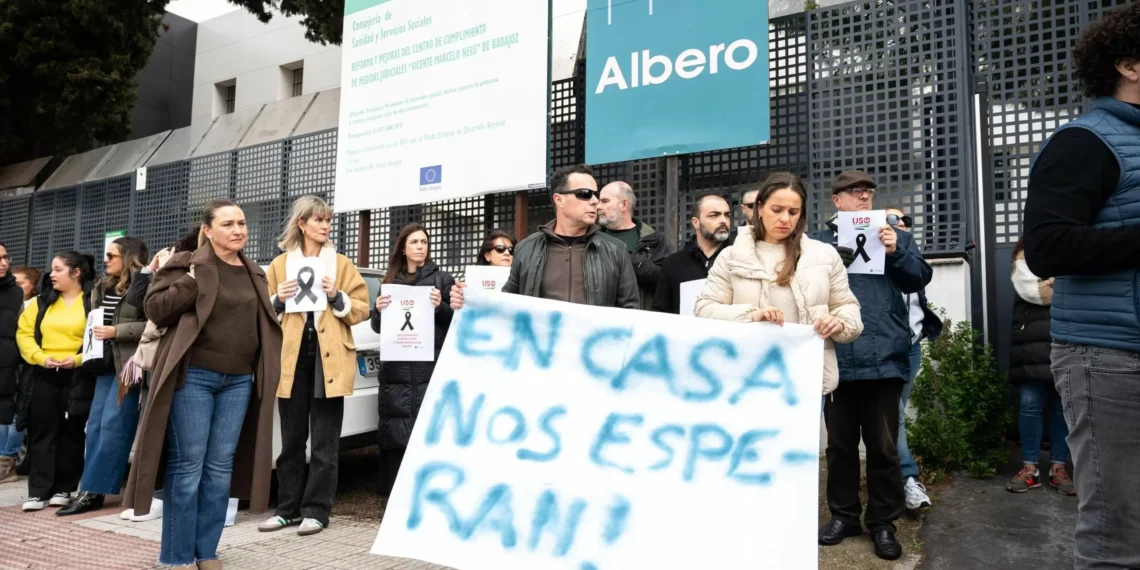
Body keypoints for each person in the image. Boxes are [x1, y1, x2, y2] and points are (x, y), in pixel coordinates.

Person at [1022, 6, 1140, 566]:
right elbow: (1048, 248)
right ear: (1129, 64)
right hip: (1110, 359)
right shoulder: (1083, 142)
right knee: (1118, 530)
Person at [123, 199, 282, 570]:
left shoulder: (255, 272)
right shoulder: (186, 264)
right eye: (228, 224)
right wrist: (193, 282)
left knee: (219, 469)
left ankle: (207, 551)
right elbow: (155, 309)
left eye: (241, 223)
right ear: (207, 231)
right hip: (193, 376)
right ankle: (177, 556)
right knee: (189, 466)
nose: (238, 230)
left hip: (239, 381)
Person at [811, 170, 932, 561]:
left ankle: (883, 523)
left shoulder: (894, 232)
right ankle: (844, 517)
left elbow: (917, 279)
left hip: (884, 356)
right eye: (854, 193)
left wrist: (896, 250)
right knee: (840, 446)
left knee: (883, 448)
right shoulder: (817, 242)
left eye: (868, 193)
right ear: (837, 201)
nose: (863, 199)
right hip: (837, 356)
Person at [695, 172, 864, 397]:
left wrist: (840, 323)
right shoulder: (731, 256)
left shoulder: (824, 255)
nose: (785, 219)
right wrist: (751, 315)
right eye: (777, 210)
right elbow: (704, 309)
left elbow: (848, 307)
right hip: (744, 382)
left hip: (807, 381)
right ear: (760, 208)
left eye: (793, 212)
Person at [260, 196, 369, 536]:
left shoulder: (340, 263)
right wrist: (277, 298)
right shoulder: (280, 265)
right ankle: (287, 509)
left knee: (324, 440)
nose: (325, 226)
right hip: (291, 356)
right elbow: (261, 313)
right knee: (291, 438)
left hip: (329, 355)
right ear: (302, 224)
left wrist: (338, 296)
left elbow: (361, 308)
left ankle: (317, 511)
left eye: (328, 220)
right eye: (318, 220)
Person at [450, 165, 639, 310]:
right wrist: (467, 300)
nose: (595, 201)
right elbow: (506, 305)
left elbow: (630, 312)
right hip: (540, 358)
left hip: (593, 357)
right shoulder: (526, 250)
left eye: (595, 195)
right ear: (559, 199)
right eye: (584, 194)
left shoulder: (616, 251)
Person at [56, 237, 150, 516]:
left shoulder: (144, 284)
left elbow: (153, 322)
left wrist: (117, 332)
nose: (106, 260)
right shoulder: (102, 286)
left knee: (115, 424)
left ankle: (93, 491)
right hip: (104, 363)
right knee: (95, 424)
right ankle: (91, 487)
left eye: (112, 256)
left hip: (130, 364)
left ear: (129, 257)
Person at [118, 227, 200, 523]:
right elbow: (141, 304)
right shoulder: (174, 268)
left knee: (172, 435)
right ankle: (152, 497)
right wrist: (152, 270)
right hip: (158, 359)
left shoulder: (194, 270)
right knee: (156, 431)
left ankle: (160, 498)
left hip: (179, 359)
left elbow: (155, 309)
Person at [370, 223, 455, 498]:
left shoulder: (442, 279)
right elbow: (377, 327)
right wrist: (379, 310)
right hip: (396, 370)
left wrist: (439, 306)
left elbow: (455, 321)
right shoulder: (389, 282)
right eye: (415, 242)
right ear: (403, 248)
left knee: (430, 431)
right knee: (395, 432)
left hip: (430, 367)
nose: (421, 247)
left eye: (424, 242)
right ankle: (395, 497)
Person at [16, 251, 96, 511]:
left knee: (73, 431)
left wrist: (78, 360)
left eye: (58, 269)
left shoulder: (93, 302)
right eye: (52, 269)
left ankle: (64, 488)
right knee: (42, 431)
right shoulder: (40, 303)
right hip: (45, 373)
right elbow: (24, 335)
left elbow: (100, 339)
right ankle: (38, 492)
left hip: (78, 374)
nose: (52, 274)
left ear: (76, 273)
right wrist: (41, 358)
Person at [883, 207, 941, 511]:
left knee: (897, 411)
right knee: (895, 411)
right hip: (886, 347)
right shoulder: (877, 252)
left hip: (912, 346)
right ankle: (907, 479)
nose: (899, 224)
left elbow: (919, 286)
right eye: (891, 219)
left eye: (903, 220)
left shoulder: (909, 253)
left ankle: (899, 478)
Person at [1007, 238, 1073, 496]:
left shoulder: (1069, 246)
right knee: (1030, 405)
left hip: (1063, 339)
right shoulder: (1025, 253)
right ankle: (1030, 467)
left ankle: (1059, 467)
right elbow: (1032, 289)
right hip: (1030, 346)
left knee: (1061, 408)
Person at [653, 194, 733, 314]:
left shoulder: (740, 258)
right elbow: (661, 311)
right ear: (696, 222)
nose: (723, 220)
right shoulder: (673, 263)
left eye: (727, 215)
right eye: (714, 215)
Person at [597, 181, 672, 309]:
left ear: (624, 204)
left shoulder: (653, 239)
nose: (598, 206)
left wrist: (633, 261)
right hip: (602, 321)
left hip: (641, 321)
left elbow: (666, 282)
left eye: (604, 201)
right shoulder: (593, 239)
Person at [0, 243, 25, 484]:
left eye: (6, 257)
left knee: (9, 413)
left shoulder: (16, 293)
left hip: (12, 364)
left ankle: (6, 464)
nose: (4, 263)